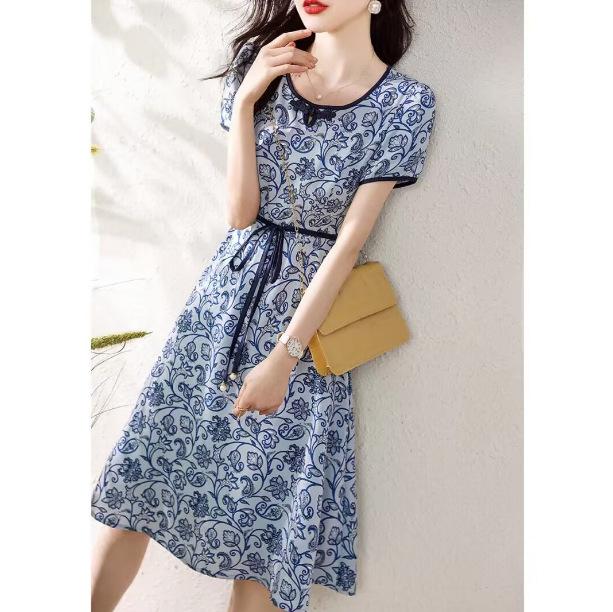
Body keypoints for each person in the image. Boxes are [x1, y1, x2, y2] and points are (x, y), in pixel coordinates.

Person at [91, 1, 437, 611]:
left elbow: (349, 244)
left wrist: (284, 357)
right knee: (143, 482)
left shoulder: (405, 103)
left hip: (308, 328)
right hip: (220, 307)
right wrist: (249, 98)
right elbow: (240, 214)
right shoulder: (262, 66)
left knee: (264, 529)